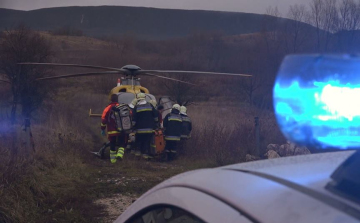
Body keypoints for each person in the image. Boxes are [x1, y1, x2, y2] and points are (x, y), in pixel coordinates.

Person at [101, 94, 127, 163]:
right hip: (121, 130)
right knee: (122, 144)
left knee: (112, 144)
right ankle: (120, 155)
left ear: (111, 99)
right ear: (117, 99)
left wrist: (102, 128)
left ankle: (113, 160)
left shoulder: (108, 108)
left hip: (111, 131)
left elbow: (104, 120)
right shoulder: (121, 107)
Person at [133, 93, 159, 159]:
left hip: (139, 129)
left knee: (139, 140)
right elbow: (155, 115)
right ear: (144, 98)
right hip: (149, 129)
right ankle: (145, 154)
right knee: (146, 142)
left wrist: (133, 127)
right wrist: (156, 124)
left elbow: (134, 119)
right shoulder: (150, 105)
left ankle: (138, 154)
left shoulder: (136, 107)